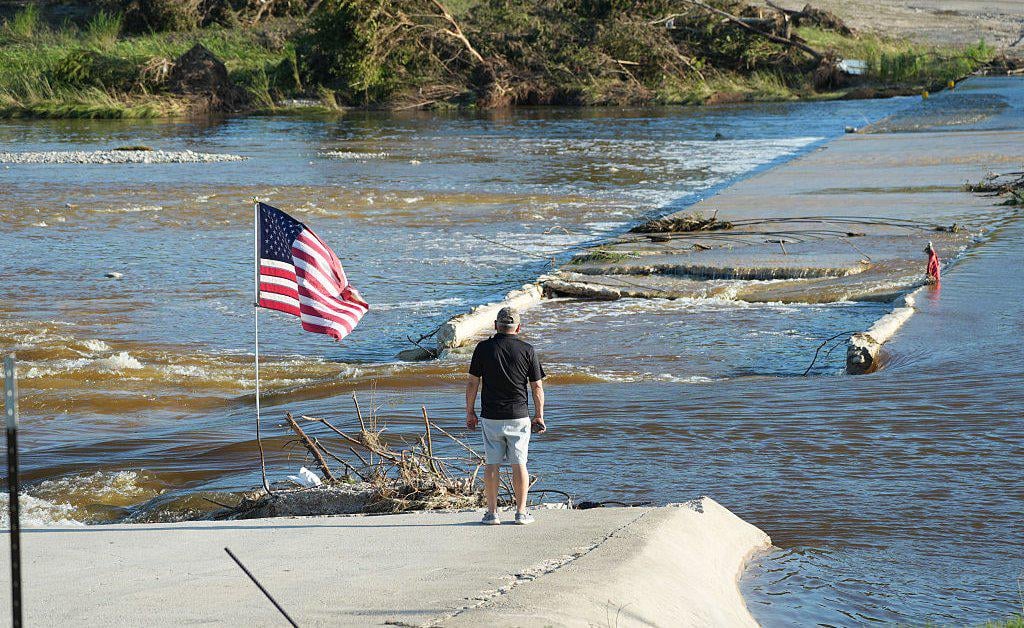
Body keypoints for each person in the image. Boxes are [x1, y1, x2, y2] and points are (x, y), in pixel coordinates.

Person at [466, 306, 546, 525]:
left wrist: (470, 412)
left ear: (495, 326)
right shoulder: (527, 350)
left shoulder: (483, 348)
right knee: (519, 463)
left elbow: (473, 382)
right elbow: (537, 387)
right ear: (518, 327)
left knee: (492, 464)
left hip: (491, 416)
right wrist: (539, 415)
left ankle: (492, 514)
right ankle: (521, 513)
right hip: (518, 415)